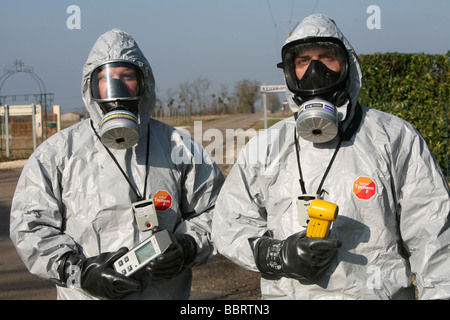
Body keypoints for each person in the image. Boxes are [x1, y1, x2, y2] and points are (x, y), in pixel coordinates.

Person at [211, 14, 450, 299]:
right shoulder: (267, 146)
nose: (314, 70)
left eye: (326, 57)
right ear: (290, 71)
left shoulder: (393, 138)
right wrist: (276, 254)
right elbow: (229, 223)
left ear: (347, 64)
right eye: (303, 61)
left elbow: (433, 233)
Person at [10, 28, 224, 300]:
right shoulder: (56, 154)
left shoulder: (179, 148)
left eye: (127, 77)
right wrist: (78, 270)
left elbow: (216, 210)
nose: (118, 89)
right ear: (92, 86)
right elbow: (30, 226)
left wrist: (186, 247)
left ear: (143, 84)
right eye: (107, 79)